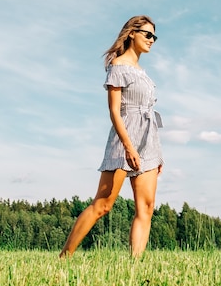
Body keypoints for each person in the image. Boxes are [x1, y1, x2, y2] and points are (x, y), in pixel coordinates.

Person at [59, 15, 163, 258]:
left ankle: (134, 267)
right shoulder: (118, 66)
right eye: (147, 34)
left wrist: (157, 154)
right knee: (104, 204)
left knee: (146, 208)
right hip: (124, 139)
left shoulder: (143, 72)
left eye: (154, 36)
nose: (152, 40)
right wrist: (129, 147)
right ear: (131, 34)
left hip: (149, 141)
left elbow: (148, 113)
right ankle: (64, 258)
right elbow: (114, 111)